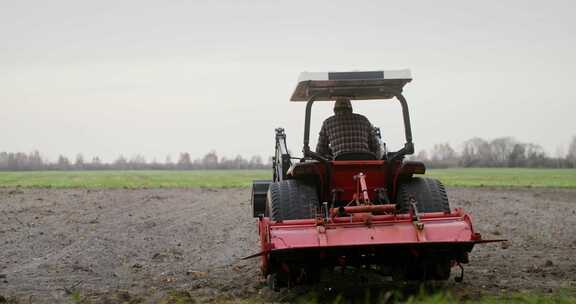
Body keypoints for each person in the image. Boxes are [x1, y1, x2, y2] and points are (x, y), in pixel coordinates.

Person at [316, 98, 381, 160]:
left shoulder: (327, 123)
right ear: (351, 109)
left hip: (339, 167)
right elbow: (376, 147)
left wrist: (329, 155)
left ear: (334, 110)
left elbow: (320, 151)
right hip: (364, 165)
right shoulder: (364, 120)